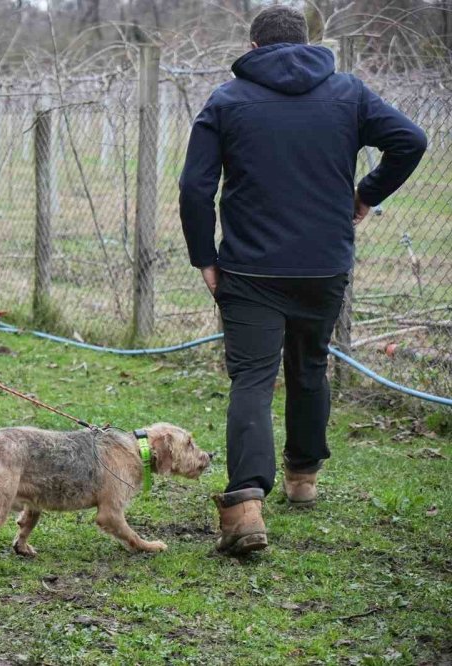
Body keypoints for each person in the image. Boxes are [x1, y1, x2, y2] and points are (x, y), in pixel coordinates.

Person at [179, 5, 426, 555]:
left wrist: (204, 256)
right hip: (323, 265)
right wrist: (367, 193)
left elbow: (195, 188)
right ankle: (303, 478)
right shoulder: (348, 94)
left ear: (253, 46)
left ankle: (245, 506)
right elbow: (411, 140)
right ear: (308, 41)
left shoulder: (228, 99)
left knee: (252, 379)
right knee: (311, 365)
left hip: (248, 268)